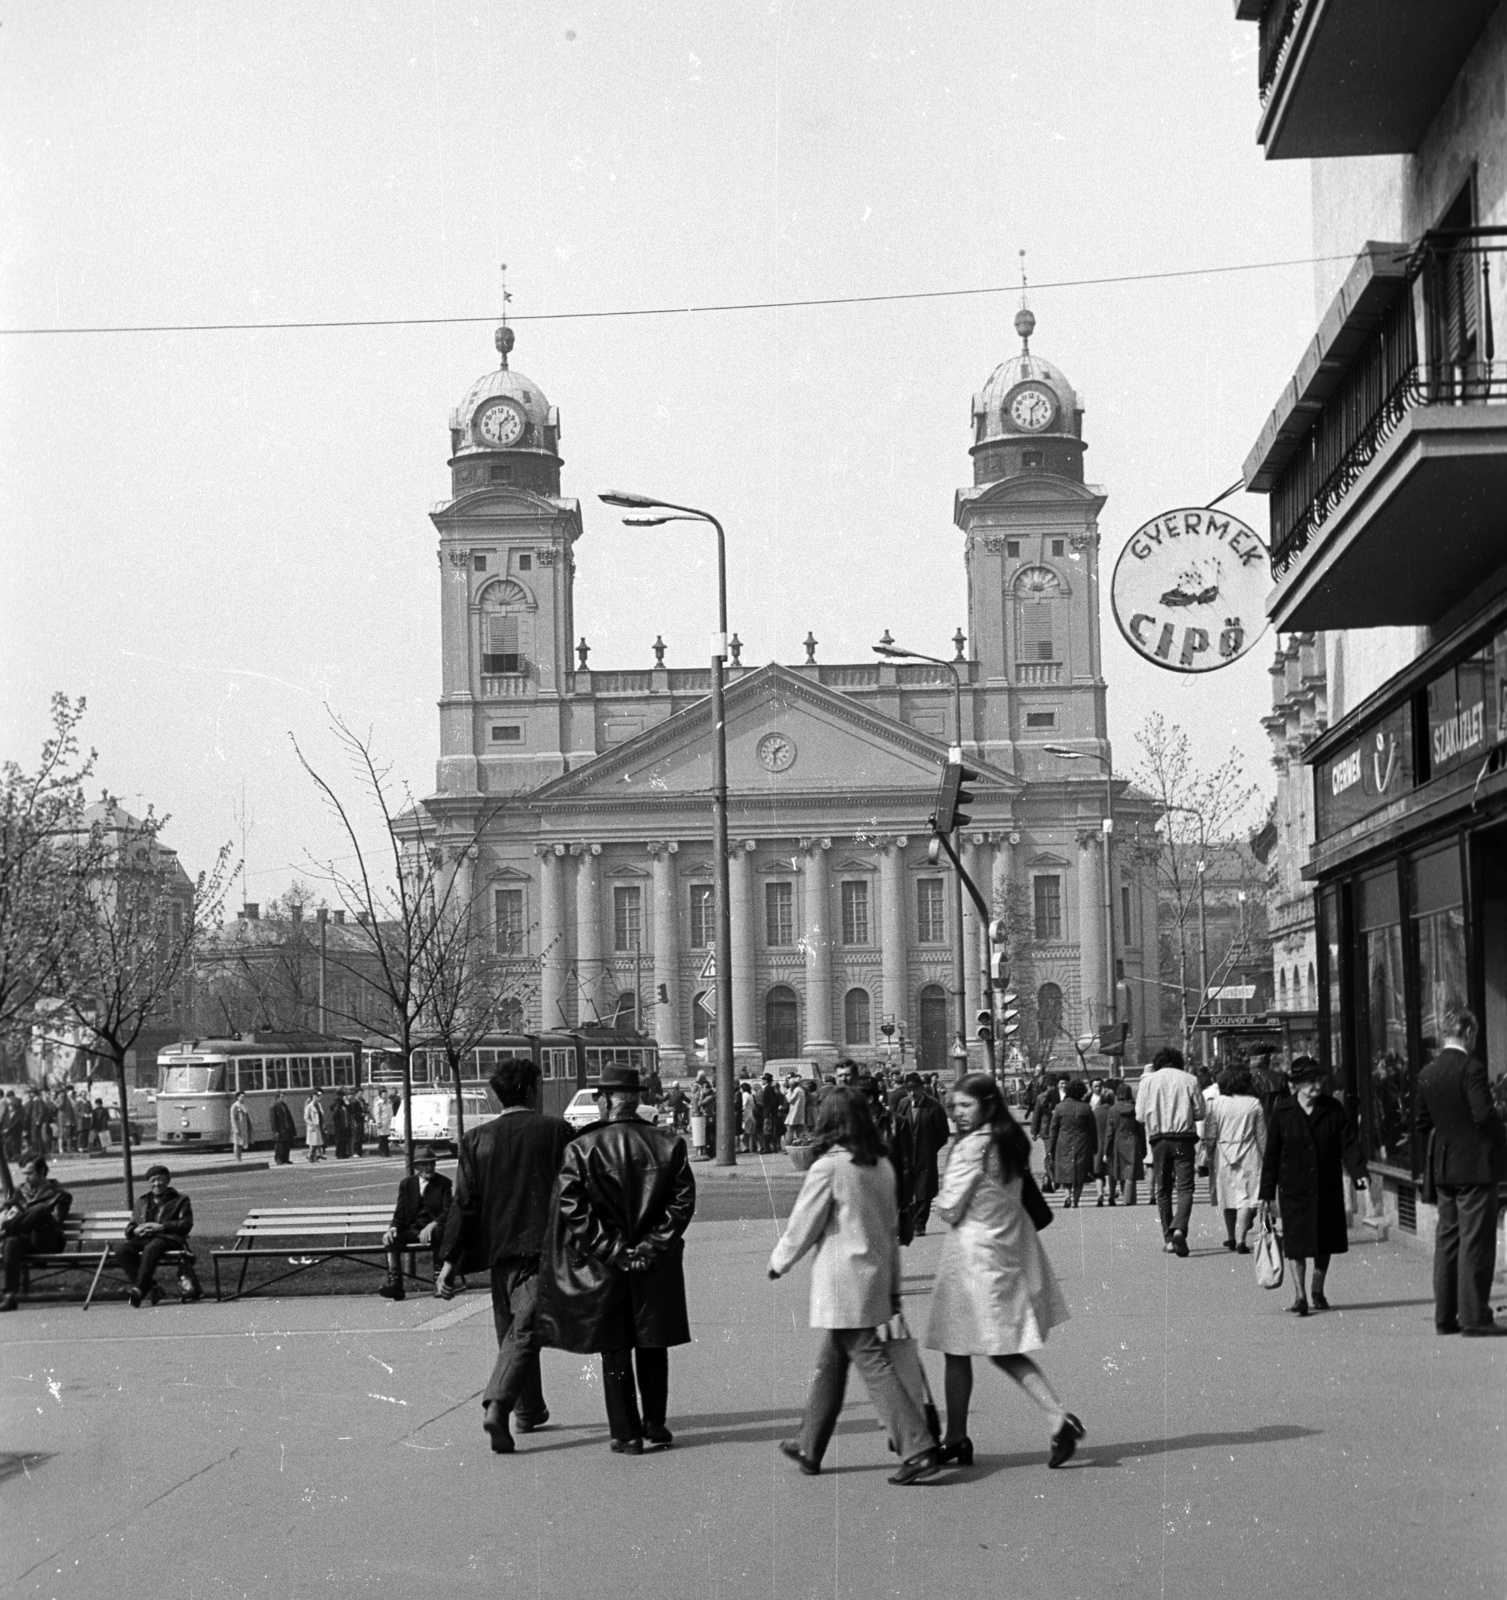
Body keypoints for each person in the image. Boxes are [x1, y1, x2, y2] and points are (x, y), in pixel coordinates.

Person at [768, 1087, 941, 1486]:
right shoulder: (881, 1164)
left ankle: (917, 1447)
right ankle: (809, 1445)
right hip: (874, 1276)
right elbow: (892, 1229)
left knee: (871, 1363)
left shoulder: (829, 1167)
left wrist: (779, 1262)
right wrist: (894, 1286)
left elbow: (803, 1225)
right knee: (833, 1362)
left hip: (841, 1281)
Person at [536, 1063, 695, 1454]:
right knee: (653, 1341)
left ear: (605, 1100)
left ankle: (626, 1433)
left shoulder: (581, 1148)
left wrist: (614, 1251)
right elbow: (682, 1203)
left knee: (616, 1345)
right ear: (638, 1098)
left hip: (606, 1266)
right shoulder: (669, 1143)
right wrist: (650, 1247)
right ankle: (655, 1423)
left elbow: (573, 1210)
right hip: (654, 1265)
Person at [926, 1073, 1081, 1469]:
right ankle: (961, 1435)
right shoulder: (1011, 1139)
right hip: (1007, 1247)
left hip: (972, 1256)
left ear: (988, 1104)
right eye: (954, 1106)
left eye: (966, 1106)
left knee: (970, 1347)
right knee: (986, 1348)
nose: (958, 1114)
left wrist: (943, 1181)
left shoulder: (970, 1149)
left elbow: (949, 1209)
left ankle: (1050, 1418)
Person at [439, 1058, 574, 1451]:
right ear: (532, 1089)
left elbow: (464, 1204)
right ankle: (498, 1405)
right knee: (524, 1331)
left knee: (512, 1333)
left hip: (499, 1256)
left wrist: (450, 1262)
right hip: (542, 1250)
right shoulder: (556, 1131)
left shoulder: (475, 1139)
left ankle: (529, 1411)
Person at [1416, 1008, 1507, 1337]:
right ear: (1468, 1033)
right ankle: (1475, 1317)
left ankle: (1445, 1317)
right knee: (1475, 1242)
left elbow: (1422, 1123)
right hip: (1475, 1167)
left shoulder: (1428, 1072)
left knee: (1448, 1241)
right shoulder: (1471, 1068)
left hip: (1444, 1168)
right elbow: (1483, 1116)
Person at [1259, 1057, 1367, 1316]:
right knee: (1296, 1244)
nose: (1317, 1085)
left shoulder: (1333, 1109)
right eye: (1311, 1081)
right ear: (1296, 1084)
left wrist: (1358, 1172)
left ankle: (1317, 1288)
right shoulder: (1282, 1111)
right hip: (1293, 1189)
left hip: (1326, 1186)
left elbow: (1348, 1143)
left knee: (1324, 1241)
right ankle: (1300, 1295)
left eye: (1319, 1080)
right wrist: (1265, 1193)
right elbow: (1271, 1155)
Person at [1136, 1046, 1206, 1256]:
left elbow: (1139, 1115)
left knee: (1163, 1189)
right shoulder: (1190, 1079)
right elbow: (1200, 1112)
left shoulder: (1147, 1081)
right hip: (1184, 1140)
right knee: (1185, 1188)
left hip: (1159, 1141)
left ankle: (1168, 1239)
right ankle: (1179, 1228)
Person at [116, 1164, 199, 1306]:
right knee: (122, 1250)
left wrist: (161, 1227)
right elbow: (131, 1225)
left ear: (168, 1180)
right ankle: (153, 1287)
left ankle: (138, 1290)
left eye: (160, 1179)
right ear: (148, 1183)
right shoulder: (142, 1201)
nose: (157, 1184)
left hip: (169, 1238)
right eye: (153, 1180)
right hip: (145, 1238)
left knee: (152, 1248)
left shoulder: (180, 1199)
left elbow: (186, 1224)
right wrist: (135, 1230)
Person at [1204, 1067, 1266, 1253]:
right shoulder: (1254, 1104)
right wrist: (1269, 1160)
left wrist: (1209, 1154)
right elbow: (1262, 1136)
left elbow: (1210, 1134)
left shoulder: (1215, 1104)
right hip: (1249, 1153)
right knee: (1245, 1198)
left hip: (1223, 1154)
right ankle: (1241, 1239)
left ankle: (1230, 1236)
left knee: (1227, 1196)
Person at [378, 1146, 452, 1299]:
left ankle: (438, 1282)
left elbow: (448, 1211)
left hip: (434, 1228)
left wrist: (432, 1224)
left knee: (439, 1233)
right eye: (425, 1164)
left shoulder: (443, 1183)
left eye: (431, 1163)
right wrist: (392, 1228)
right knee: (392, 1241)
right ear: (417, 1167)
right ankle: (395, 1284)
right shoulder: (407, 1184)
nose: (429, 1167)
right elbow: (400, 1213)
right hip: (413, 1228)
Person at [0, 1158, 74, 1311]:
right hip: (26, 1242)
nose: (26, 1178)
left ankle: (5, 1230)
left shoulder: (60, 1194)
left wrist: (28, 1216)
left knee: (41, 1210)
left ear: (41, 1172)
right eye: (24, 1174)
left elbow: (56, 1221)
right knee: (12, 1241)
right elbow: (6, 1209)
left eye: (30, 1173)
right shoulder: (21, 1192)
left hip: (47, 1241)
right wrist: (8, 1214)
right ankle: (10, 1297)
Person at [894, 1073, 950, 1235]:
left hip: (926, 1155)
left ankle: (919, 1224)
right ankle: (909, 1221)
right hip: (906, 1155)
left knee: (923, 1192)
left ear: (922, 1088)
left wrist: (931, 1148)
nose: (912, 1093)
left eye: (915, 1089)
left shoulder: (934, 1106)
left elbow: (943, 1133)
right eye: (909, 1090)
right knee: (906, 1190)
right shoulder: (903, 1105)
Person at [1048, 1081, 1098, 1208]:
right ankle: (1075, 1201)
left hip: (1063, 1142)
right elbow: (1092, 1129)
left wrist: (1051, 1148)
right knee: (1080, 1173)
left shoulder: (1059, 1107)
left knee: (1066, 1171)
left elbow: (1053, 1129)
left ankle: (1067, 1196)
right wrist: (1095, 1146)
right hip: (1082, 1142)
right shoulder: (1086, 1108)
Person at [1105, 1081, 1145, 1205]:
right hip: (1133, 1140)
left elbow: (1109, 1132)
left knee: (1120, 1171)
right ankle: (1129, 1200)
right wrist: (1143, 1148)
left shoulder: (1113, 1109)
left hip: (1119, 1141)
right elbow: (1141, 1130)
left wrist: (1106, 1150)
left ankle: (1126, 1200)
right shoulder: (1136, 1108)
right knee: (1131, 1174)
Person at [1031, 1078, 1065, 1190]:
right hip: (1047, 1131)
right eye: (1050, 1086)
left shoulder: (1061, 1096)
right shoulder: (1041, 1098)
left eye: (1053, 1086)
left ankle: (1057, 1177)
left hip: (1059, 1130)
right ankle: (1052, 1177)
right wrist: (1034, 1132)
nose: (1052, 1088)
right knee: (1049, 1154)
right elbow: (1037, 1115)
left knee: (1057, 1154)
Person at [270, 1091, 296, 1165]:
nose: (283, 1098)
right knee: (279, 1145)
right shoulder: (274, 1106)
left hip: (286, 1128)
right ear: (277, 1098)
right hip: (280, 1129)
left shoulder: (284, 1105)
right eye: (282, 1097)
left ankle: (285, 1159)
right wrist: (275, 1131)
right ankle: (278, 1159)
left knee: (286, 1145)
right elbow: (273, 1119)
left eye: (284, 1097)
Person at [229, 1090, 253, 1160]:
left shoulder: (244, 1106)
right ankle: (237, 1159)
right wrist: (235, 1128)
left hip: (243, 1127)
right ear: (237, 1097)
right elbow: (233, 1118)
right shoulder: (235, 1106)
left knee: (241, 1143)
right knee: (237, 1143)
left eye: (244, 1097)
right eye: (242, 1097)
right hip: (238, 1127)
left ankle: (240, 1158)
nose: (243, 1098)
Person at [303, 1093, 327, 1161]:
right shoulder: (309, 1106)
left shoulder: (319, 1105)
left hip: (319, 1125)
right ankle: (311, 1156)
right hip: (313, 1127)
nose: (319, 1098)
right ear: (314, 1097)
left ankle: (312, 1156)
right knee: (314, 1143)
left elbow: (321, 1115)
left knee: (318, 1143)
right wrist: (311, 1124)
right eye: (318, 1097)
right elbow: (306, 1118)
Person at [370, 1090, 393, 1157]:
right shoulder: (378, 1103)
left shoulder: (388, 1102)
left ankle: (386, 1152)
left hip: (388, 1123)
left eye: (386, 1094)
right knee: (382, 1138)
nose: (385, 1095)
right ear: (380, 1095)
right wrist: (378, 1122)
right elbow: (376, 1113)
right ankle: (382, 1152)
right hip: (382, 1122)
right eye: (383, 1094)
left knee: (387, 1138)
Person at [331, 1089, 351, 1159]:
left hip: (345, 1125)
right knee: (340, 1141)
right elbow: (335, 1117)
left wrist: (347, 1102)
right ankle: (339, 1154)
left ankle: (344, 1152)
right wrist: (339, 1125)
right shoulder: (338, 1107)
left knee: (344, 1140)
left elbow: (350, 1109)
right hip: (340, 1126)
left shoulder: (344, 1106)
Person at [347, 1091, 366, 1157]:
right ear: (356, 1094)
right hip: (355, 1120)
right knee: (355, 1137)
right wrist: (360, 1114)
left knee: (360, 1136)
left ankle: (359, 1151)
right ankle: (354, 1152)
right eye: (359, 1094)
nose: (361, 1095)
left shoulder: (362, 1101)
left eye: (362, 1093)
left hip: (360, 1120)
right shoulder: (354, 1102)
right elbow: (353, 1112)